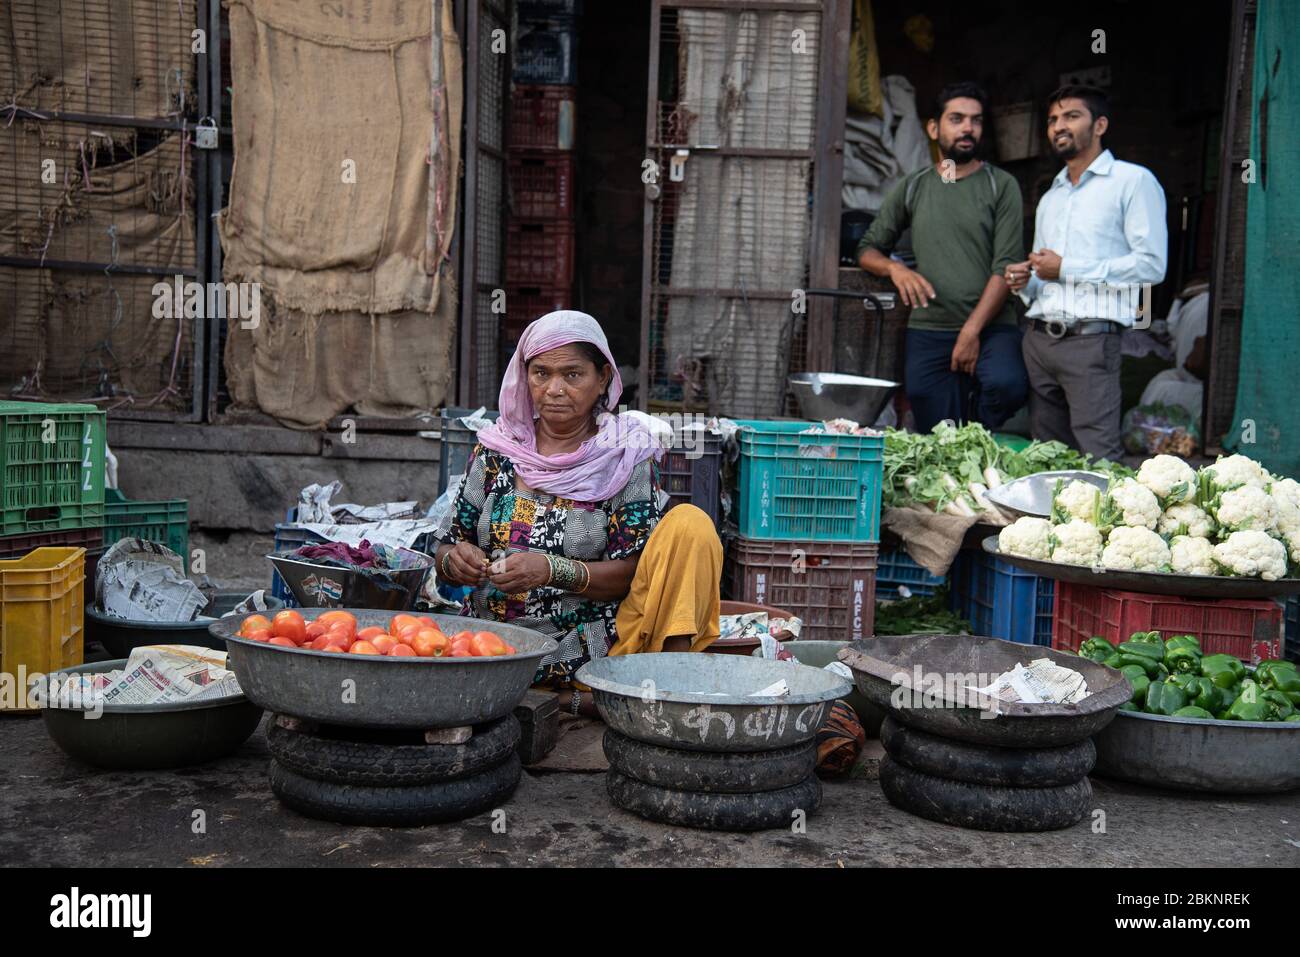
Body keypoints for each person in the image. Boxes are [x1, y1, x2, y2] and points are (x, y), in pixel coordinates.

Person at [434, 311, 723, 717]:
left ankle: (638, 691)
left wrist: (551, 570)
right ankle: (580, 702)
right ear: (525, 375)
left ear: (602, 378)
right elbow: (448, 544)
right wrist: (454, 560)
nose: (554, 389)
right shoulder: (497, 451)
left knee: (691, 523)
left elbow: (634, 572)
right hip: (491, 644)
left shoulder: (625, 456)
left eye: (573, 375)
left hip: (589, 652)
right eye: (541, 374)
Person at [1005, 85, 1168, 461]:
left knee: (1099, 457)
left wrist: (1067, 268)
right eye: (1052, 120)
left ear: (1100, 125)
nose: (1059, 126)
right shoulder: (1052, 197)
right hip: (1039, 341)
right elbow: (1046, 276)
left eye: (1071, 116)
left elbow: (1151, 266)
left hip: (1091, 342)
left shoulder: (1133, 181)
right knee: (1047, 456)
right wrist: (1024, 282)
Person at [857, 80, 1028, 433]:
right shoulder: (915, 185)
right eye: (957, 119)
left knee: (1006, 386)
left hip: (993, 326)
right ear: (933, 128)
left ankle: (980, 439)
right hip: (930, 326)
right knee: (934, 424)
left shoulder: (1001, 185)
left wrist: (971, 331)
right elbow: (867, 249)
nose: (968, 128)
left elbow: (1005, 267)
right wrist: (895, 269)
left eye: (976, 121)